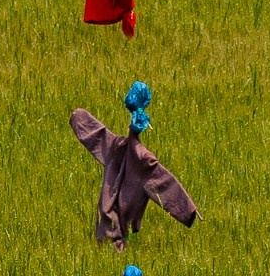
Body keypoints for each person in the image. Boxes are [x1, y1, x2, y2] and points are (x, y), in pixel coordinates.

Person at [70, 81, 199, 248]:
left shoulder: (117, 147)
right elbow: (166, 184)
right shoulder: (140, 159)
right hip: (119, 231)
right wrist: (189, 212)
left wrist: (77, 115)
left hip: (106, 228)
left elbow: (95, 133)